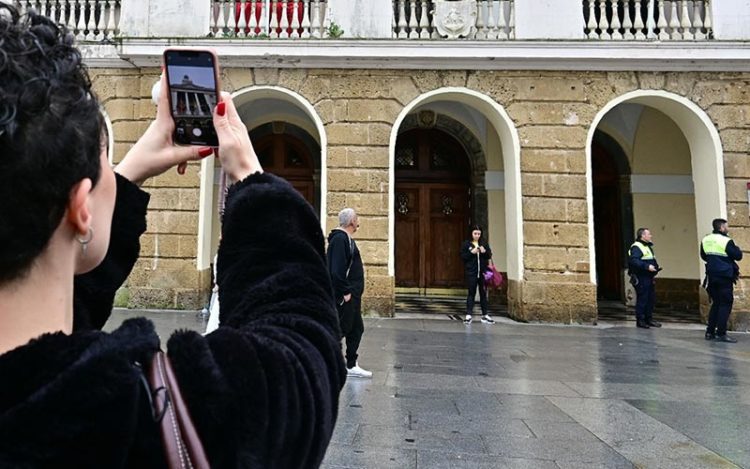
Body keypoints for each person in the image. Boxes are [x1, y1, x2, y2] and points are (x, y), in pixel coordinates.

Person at [0, 6, 344, 467]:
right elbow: (303, 350)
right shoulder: (138, 419)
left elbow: (46, 303)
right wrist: (250, 178)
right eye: (107, 159)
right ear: (81, 208)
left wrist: (123, 173)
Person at [327, 208, 372, 378]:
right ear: (352, 221)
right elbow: (336, 271)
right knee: (340, 330)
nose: (358, 220)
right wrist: (346, 292)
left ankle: (351, 364)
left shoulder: (345, 239)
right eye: (357, 217)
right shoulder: (340, 240)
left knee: (355, 329)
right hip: (346, 296)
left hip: (351, 296)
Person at [701, 218, 742, 343]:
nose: (727, 228)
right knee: (725, 304)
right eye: (726, 226)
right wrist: (737, 249)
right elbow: (737, 256)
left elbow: (703, 256)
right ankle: (721, 333)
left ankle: (710, 332)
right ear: (721, 228)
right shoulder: (726, 241)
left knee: (716, 303)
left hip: (711, 276)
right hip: (724, 276)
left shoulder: (706, 239)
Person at [628, 228, 662, 329]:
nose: (651, 236)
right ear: (643, 236)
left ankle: (649, 319)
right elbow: (634, 261)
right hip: (641, 276)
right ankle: (641, 320)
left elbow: (651, 259)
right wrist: (647, 267)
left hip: (649, 276)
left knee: (650, 299)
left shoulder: (647, 246)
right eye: (649, 234)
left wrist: (655, 268)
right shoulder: (636, 247)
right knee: (642, 298)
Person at [460, 226, 495, 325]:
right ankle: (469, 314)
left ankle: (485, 314)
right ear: (471, 233)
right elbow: (463, 257)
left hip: (483, 273)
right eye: (475, 233)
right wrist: (472, 252)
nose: (477, 236)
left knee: (483, 293)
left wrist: (484, 252)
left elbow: (489, 255)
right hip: (472, 272)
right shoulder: (466, 244)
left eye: (479, 234)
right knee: (471, 293)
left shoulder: (483, 243)